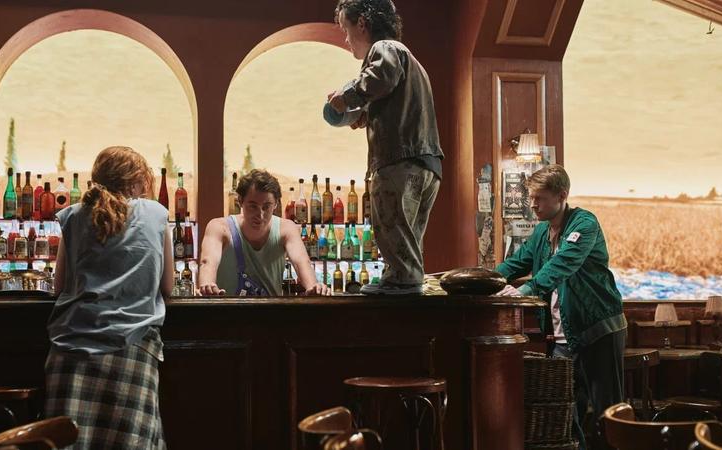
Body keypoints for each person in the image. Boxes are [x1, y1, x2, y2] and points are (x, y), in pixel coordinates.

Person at [45, 146, 173, 449]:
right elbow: (167, 287)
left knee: (68, 443)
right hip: (132, 346)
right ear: (138, 181)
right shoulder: (156, 214)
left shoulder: (73, 216)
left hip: (72, 348)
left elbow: (59, 285)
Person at [495, 164, 626, 450]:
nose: (532, 204)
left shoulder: (585, 224)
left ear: (561, 195)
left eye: (539, 198)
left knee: (608, 413)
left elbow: (562, 264)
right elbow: (516, 263)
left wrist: (525, 290)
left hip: (597, 331)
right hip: (562, 337)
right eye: (531, 197)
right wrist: (484, 280)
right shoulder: (541, 231)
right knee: (565, 414)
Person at [329, 0, 443, 295]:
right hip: (427, 162)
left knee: (391, 226)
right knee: (408, 236)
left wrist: (346, 96)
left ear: (362, 23)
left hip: (398, 160)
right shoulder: (412, 60)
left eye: (345, 28)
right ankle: (407, 280)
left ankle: (401, 281)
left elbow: (380, 77)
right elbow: (394, 96)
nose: (346, 38)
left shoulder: (385, 48)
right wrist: (366, 115)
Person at [197, 169, 330, 296]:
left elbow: (301, 262)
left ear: (276, 204)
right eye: (253, 206)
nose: (260, 215)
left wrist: (314, 287)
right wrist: (207, 286)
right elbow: (208, 262)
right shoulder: (220, 227)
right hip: (226, 310)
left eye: (266, 207)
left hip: (270, 310)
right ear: (240, 201)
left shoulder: (286, 229)